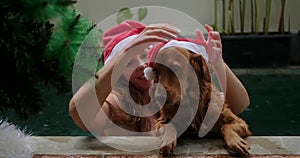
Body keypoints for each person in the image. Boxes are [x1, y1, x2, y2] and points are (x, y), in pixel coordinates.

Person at [68, 20, 250, 135]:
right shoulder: (117, 102)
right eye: (129, 62)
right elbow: (79, 112)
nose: (141, 64)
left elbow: (240, 105)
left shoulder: (175, 90)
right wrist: (123, 54)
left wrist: (217, 63)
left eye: (145, 54)